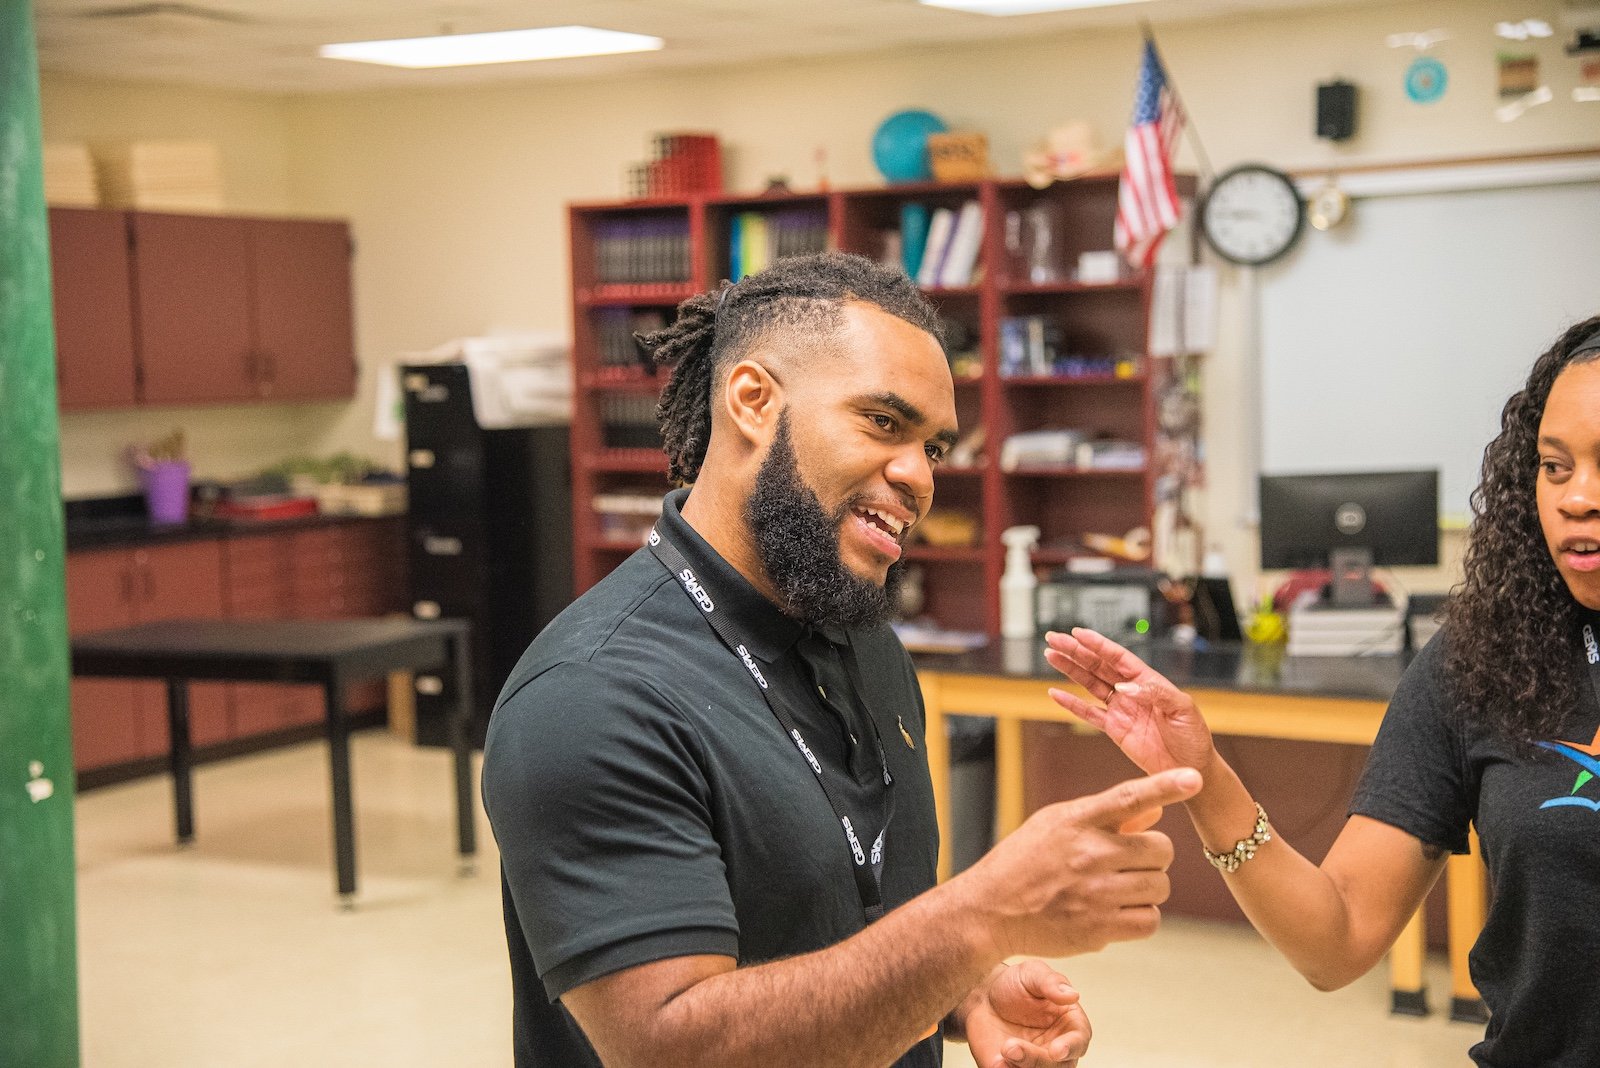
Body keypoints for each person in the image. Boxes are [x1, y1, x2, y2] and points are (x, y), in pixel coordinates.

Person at [482, 252, 1201, 1068]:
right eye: (884, 424)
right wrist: (981, 917)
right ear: (752, 400)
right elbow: (670, 1047)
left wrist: (962, 988)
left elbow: (850, 912)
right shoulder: (590, 699)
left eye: (934, 447)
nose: (917, 477)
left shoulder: (861, 637)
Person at [1043, 315, 1600, 1067]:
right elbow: (1336, 940)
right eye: (1555, 466)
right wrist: (1205, 778)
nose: (1576, 498)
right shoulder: (1486, 660)